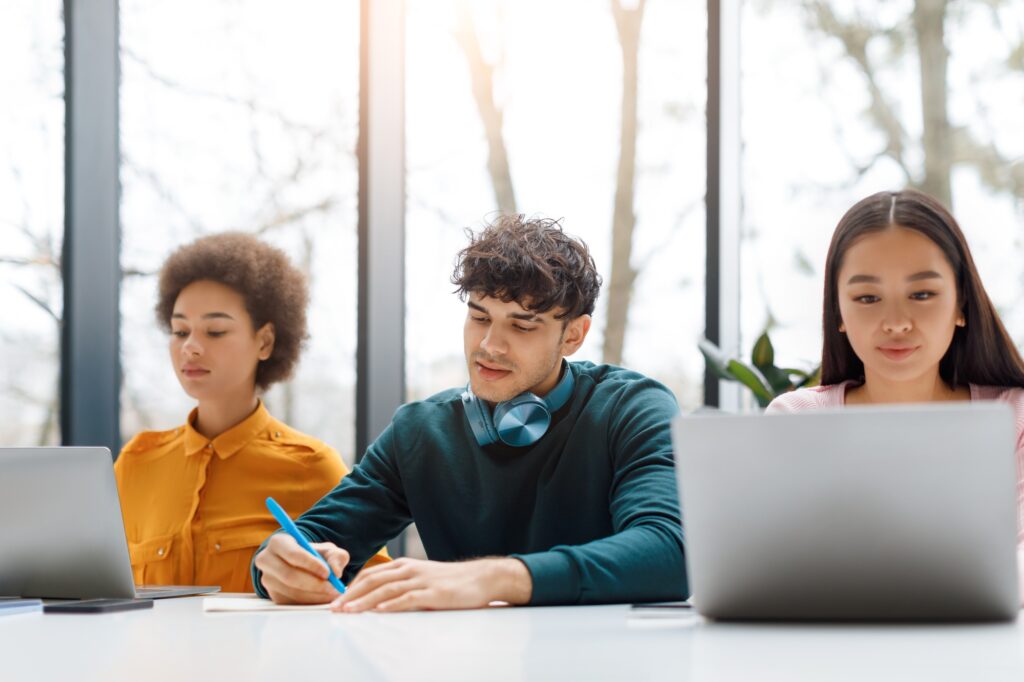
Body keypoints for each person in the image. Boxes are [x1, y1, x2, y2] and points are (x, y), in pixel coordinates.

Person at [252, 215, 687, 611]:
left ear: (573, 335)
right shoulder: (420, 431)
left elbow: (670, 552)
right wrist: (278, 567)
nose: (489, 346)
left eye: (521, 326)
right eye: (480, 317)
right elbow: (309, 539)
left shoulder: (632, 409)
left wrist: (496, 577)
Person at [767, 188, 1024, 595]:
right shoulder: (796, 420)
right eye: (867, 297)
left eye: (922, 294)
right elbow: (771, 562)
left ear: (961, 304)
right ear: (838, 313)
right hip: (833, 648)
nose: (896, 322)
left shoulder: (1015, 418)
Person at [115, 233, 388, 592]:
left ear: (265, 342)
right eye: (180, 331)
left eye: (215, 331)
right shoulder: (137, 463)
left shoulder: (310, 466)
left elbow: (373, 593)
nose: (191, 347)